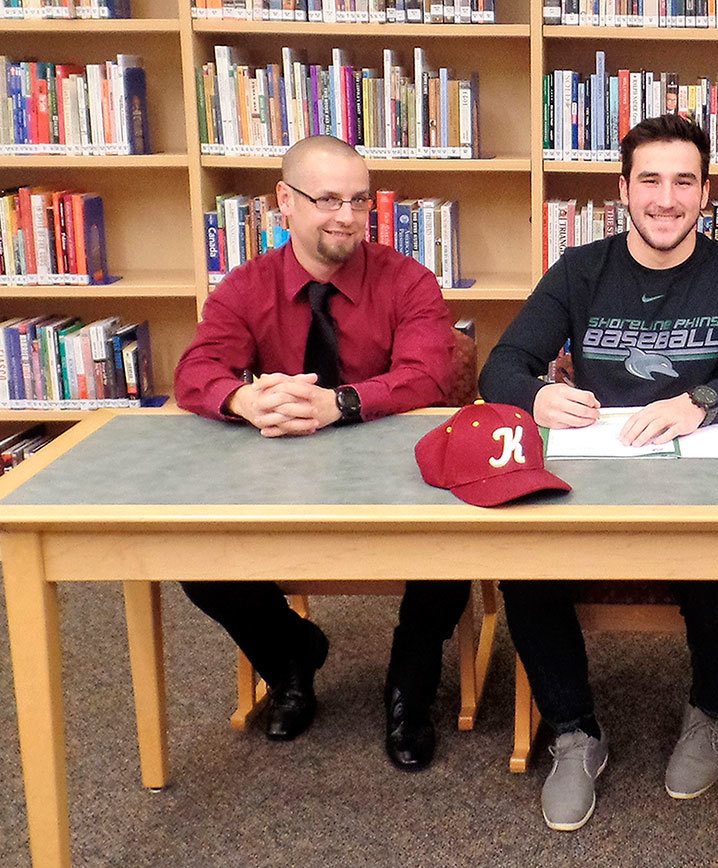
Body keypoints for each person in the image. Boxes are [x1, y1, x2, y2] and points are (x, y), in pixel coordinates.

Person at [479, 114, 718, 831]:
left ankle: (708, 712)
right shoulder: (579, 270)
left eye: (684, 181)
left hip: (697, 475)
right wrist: (536, 393)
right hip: (592, 472)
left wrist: (702, 400)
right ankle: (573, 734)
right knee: (526, 567)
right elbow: (498, 365)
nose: (665, 198)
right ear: (622, 189)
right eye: (649, 180)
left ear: (706, 194)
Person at [173, 135, 468, 772]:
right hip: (281, 472)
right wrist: (242, 401)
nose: (346, 217)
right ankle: (290, 657)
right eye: (327, 199)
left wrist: (343, 403)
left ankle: (409, 688)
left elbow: (431, 375)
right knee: (196, 558)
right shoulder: (245, 287)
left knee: (452, 540)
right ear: (284, 201)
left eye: (359, 201)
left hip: (396, 470)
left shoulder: (409, 280)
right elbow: (195, 371)